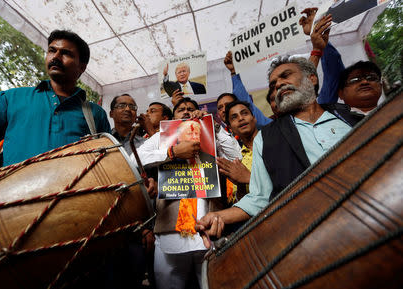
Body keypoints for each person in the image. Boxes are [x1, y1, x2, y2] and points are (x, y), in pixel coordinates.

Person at [196, 56, 363, 247]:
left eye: (286, 76)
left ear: (312, 79)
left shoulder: (349, 118)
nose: (279, 84)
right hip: (319, 238)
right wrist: (218, 216)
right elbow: (260, 198)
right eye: (274, 84)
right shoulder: (267, 139)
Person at [0, 30, 110, 168]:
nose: (55, 56)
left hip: (77, 200)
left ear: (82, 67)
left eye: (66, 53)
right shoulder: (11, 99)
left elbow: (110, 165)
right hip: (16, 199)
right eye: (52, 50)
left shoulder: (96, 114)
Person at [133, 97, 240, 289]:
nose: (186, 112)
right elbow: (134, 159)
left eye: (191, 108)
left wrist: (214, 127)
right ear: (173, 117)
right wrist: (171, 152)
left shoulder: (212, 134)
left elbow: (236, 157)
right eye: (181, 109)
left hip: (210, 231)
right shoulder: (160, 138)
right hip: (170, 232)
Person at [217, 101, 258, 200]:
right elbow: (241, 202)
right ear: (230, 128)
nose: (241, 118)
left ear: (254, 119)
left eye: (245, 113)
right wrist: (241, 185)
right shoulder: (239, 161)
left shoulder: (274, 141)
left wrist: (248, 178)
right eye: (234, 117)